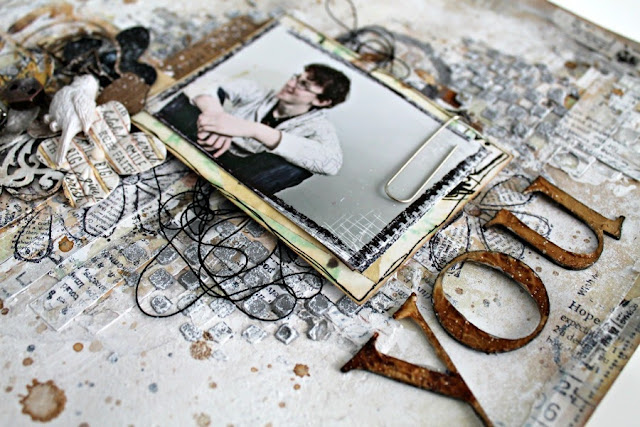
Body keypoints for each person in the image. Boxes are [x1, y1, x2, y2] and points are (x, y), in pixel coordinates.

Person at [185, 63, 351, 195]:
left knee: (298, 169)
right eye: (296, 77)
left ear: (322, 102)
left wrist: (255, 130)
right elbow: (201, 80)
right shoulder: (260, 92)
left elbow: (332, 164)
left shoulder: (319, 127)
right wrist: (215, 115)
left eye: (303, 85)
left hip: (244, 173)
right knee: (191, 100)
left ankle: (225, 198)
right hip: (212, 145)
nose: (290, 83)